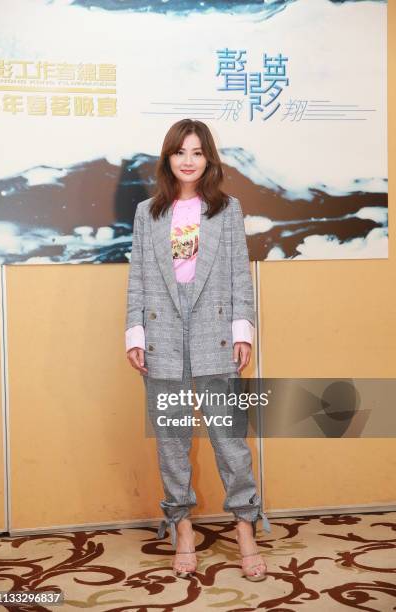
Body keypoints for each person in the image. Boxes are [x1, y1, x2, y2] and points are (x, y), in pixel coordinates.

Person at [125, 118, 271, 580]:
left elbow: (237, 274)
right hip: (162, 333)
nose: (188, 160)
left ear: (208, 159)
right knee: (172, 440)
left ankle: (245, 528)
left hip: (215, 334)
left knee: (229, 441)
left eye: (197, 152)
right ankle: (181, 525)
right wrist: (135, 334)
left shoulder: (227, 210)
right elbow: (139, 280)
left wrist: (243, 330)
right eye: (179, 152)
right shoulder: (148, 212)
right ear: (168, 158)